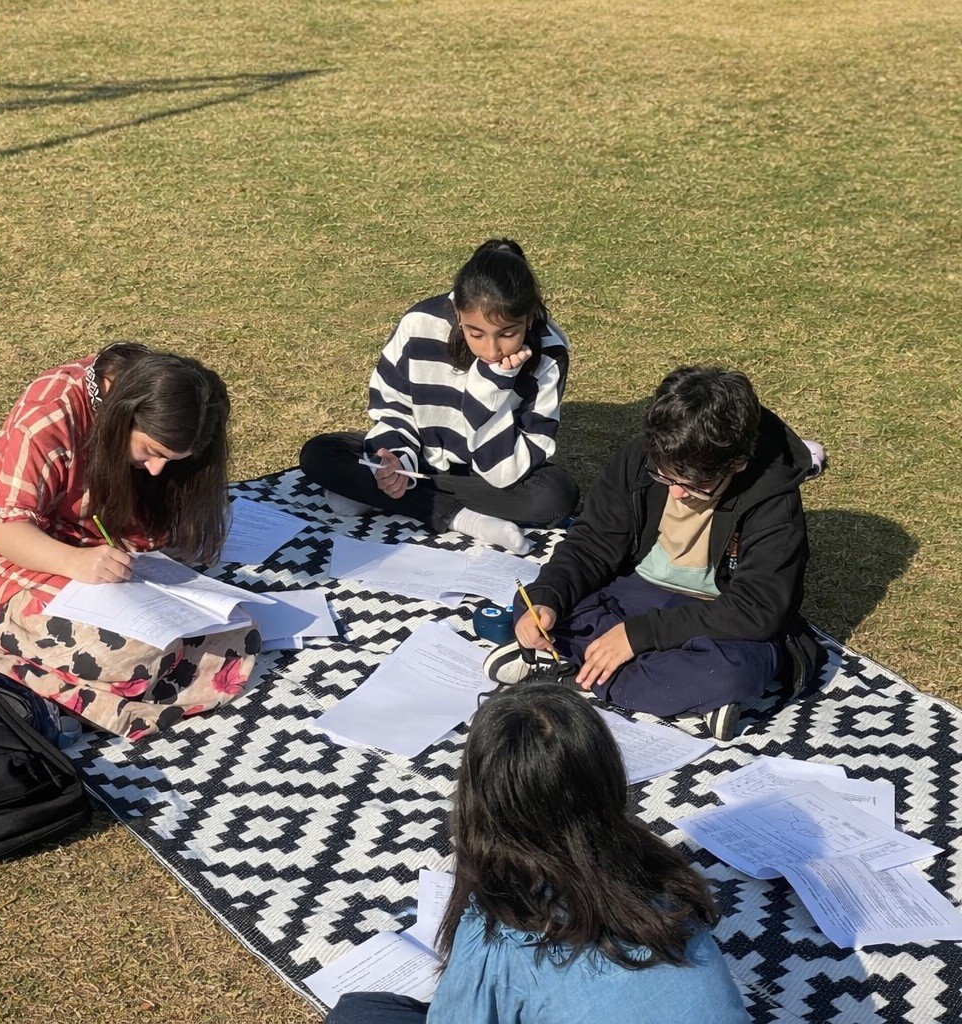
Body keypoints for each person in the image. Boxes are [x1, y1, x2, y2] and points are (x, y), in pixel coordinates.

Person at [324, 684, 751, 1024]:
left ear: (479, 799)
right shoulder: (662, 873)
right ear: (606, 777)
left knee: (358, 1013)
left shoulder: (502, 932)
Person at [0, 343, 259, 740]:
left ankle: (84, 693)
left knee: (236, 634)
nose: (157, 470)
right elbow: (5, 530)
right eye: (151, 452)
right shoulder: (48, 414)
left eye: (172, 460)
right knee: (133, 654)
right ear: (124, 416)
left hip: (104, 562)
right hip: (22, 563)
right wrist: (76, 562)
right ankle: (32, 687)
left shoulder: (160, 401)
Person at [484, 366, 826, 740]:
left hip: (717, 616)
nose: (677, 492)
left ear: (738, 462)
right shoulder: (642, 458)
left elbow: (756, 608)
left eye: (696, 484)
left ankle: (571, 670)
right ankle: (687, 695)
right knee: (537, 605)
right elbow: (591, 543)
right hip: (634, 592)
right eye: (665, 476)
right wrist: (547, 599)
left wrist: (637, 636)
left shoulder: (774, 498)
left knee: (735, 669)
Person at [299, 238, 578, 554]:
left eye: (508, 333)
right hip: (420, 459)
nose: (492, 350)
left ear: (529, 317)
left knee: (555, 494)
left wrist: (488, 389)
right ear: (457, 311)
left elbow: (504, 472)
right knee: (320, 453)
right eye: (476, 333)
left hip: (486, 478)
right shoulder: (420, 323)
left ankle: (379, 495)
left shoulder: (549, 352)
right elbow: (393, 406)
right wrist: (395, 460)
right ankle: (463, 518)